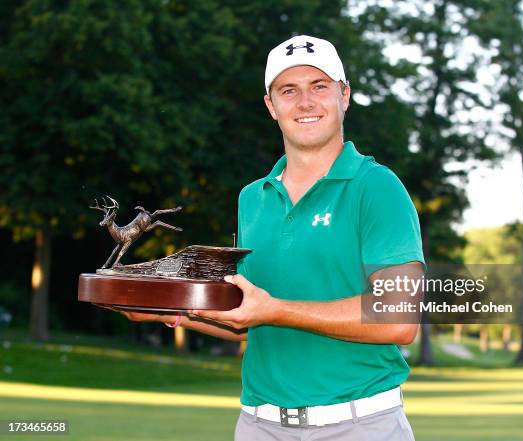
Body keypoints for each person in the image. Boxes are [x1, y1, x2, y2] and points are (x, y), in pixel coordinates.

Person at [116, 35, 425, 441]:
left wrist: (275, 309)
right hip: (259, 425)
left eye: (319, 87)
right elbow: (247, 318)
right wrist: (163, 310)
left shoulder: (377, 187)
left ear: (344, 96)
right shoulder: (252, 198)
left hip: (358, 425)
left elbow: (398, 318)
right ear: (271, 106)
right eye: (289, 91)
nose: (306, 103)